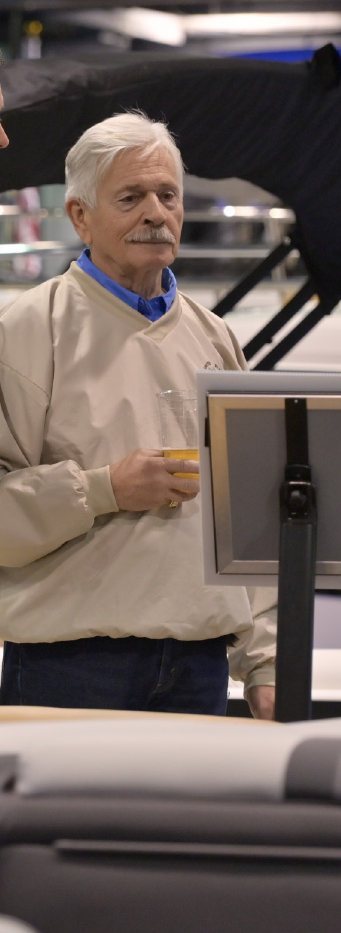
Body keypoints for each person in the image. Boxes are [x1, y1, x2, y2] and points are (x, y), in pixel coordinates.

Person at [0, 110, 276, 718]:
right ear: (80, 216)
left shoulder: (216, 339)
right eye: (130, 197)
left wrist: (264, 660)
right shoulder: (28, 331)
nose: (156, 212)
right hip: (68, 669)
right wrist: (103, 490)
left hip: (199, 665)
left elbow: (250, 514)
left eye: (168, 194)